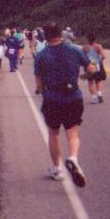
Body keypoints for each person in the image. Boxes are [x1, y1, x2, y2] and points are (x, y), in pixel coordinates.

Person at [34, 23, 95, 186]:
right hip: (73, 97)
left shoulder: (41, 55)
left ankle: (57, 169)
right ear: (60, 34)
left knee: (53, 133)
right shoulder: (74, 50)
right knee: (72, 133)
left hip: (52, 98)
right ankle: (73, 158)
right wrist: (83, 75)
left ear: (45, 36)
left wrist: (40, 90)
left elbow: (38, 85)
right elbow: (91, 69)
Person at [82, 34, 107, 104]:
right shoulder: (98, 46)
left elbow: (81, 56)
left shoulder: (84, 47)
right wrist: (99, 61)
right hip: (97, 65)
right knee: (98, 81)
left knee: (90, 82)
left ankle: (94, 98)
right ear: (94, 39)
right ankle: (99, 95)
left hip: (88, 65)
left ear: (87, 39)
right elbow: (104, 56)